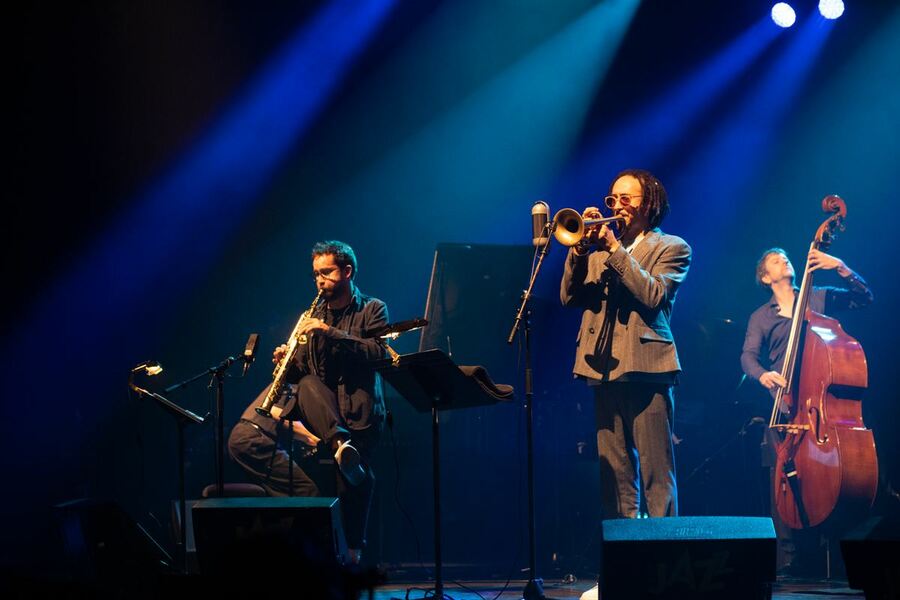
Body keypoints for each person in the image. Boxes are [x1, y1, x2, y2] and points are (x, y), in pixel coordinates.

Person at [228, 240, 389, 563]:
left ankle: (353, 553)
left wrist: (329, 332)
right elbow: (304, 373)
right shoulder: (313, 314)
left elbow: (379, 353)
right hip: (325, 414)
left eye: (326, 273)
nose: (319, 280)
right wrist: (285, 362)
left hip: (358, 413)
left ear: (347, 271)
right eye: (316, 274)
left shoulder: (372, 308)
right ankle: (341, 446)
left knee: (349, 482)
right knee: (306, 383)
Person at [561, 168, 691, 520]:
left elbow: (653, 295)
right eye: (612, 199)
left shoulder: (672, 247)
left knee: (656, 473)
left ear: (648, 203)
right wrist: (579, 249)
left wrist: (615, 249)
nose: (616, 206)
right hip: (602, 366)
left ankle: (664, 551)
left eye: (625, 198)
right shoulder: (598, 253)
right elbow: (569, 297)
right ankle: (623, 550)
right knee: (614, 476)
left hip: (647, 367)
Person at [741, 247, 872, 573]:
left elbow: (864, 298)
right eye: (775, 260)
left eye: (785, 257)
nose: (784, 260)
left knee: (827, 477)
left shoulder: (816, 297)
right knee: (782, 480)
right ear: (765, 278)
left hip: (818, 409)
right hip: (783, 406)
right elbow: (748, 357)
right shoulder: (760, 317)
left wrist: (840, 266)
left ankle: (830, 555)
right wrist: (763, 375)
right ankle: (788, 559)